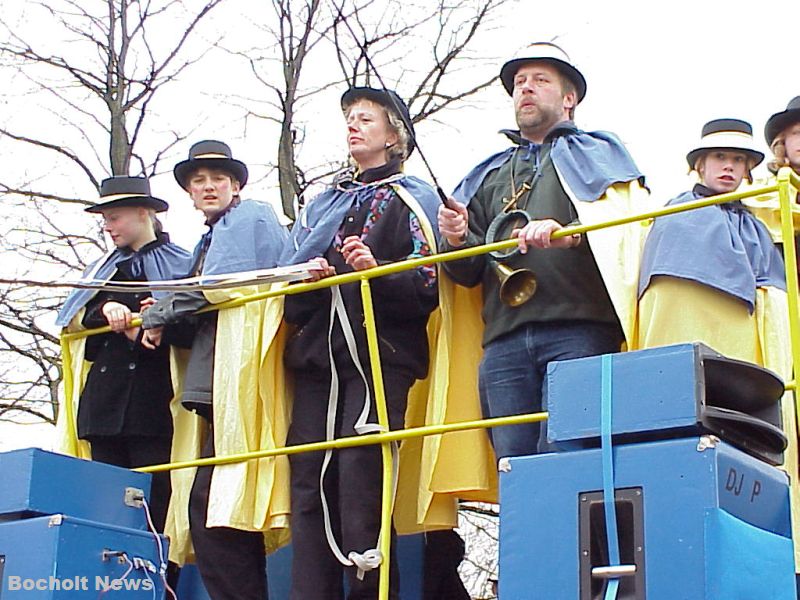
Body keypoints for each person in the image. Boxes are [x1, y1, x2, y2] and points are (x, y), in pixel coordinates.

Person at [437, 42, 648, 460]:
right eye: (519, 83)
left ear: (569, 99)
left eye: (539, 80)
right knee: (513, 468)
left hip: (580, 332)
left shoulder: (601, 156)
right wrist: (458, 238)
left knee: (572, 459)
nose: (525, 90)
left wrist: (572, 232)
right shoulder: (489, 173)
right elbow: (465, 273)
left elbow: (629, 232)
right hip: (503, 342)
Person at [279, 86, 440, 600]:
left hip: (379, 356)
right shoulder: (321, 206)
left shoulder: (413, 198)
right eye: (349, 118)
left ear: (395, 134)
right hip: (317, 361)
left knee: (360, 479)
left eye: (366, 118)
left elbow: (429, 283)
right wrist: (306, 278)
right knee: (308, 479)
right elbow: (284, 287)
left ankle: (370, 592)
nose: (353, 126)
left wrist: (378, 272)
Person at [637, 117, 799, 574]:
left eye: (739, 161)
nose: (729, 168)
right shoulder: (674, 216)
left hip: (743, 365)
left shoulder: (759, 227)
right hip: (687, 351)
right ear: (701, 165)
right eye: (720, 158)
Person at [141, 140, 288, 600]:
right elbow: (205, 300)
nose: (208, 187)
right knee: (213, 506)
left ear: (236, 185)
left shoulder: (250, 218)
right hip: (220, 381)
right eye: (198, 181)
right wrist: (164, 316)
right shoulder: (212, 236)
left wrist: (159, 313)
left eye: (217, 179)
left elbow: (221, 287)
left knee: (214, 505)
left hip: (246, 380)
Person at [56, 175, 193, 535]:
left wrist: (152, 322)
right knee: (106, 513)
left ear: (143, 212)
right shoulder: (102, 271)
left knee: (155, 512)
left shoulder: (182, 264)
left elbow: (199, 325)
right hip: (105, 406)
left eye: (114, 217)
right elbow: (74, 320)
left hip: (156, 408)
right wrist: (106, 308)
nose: (107, 226)